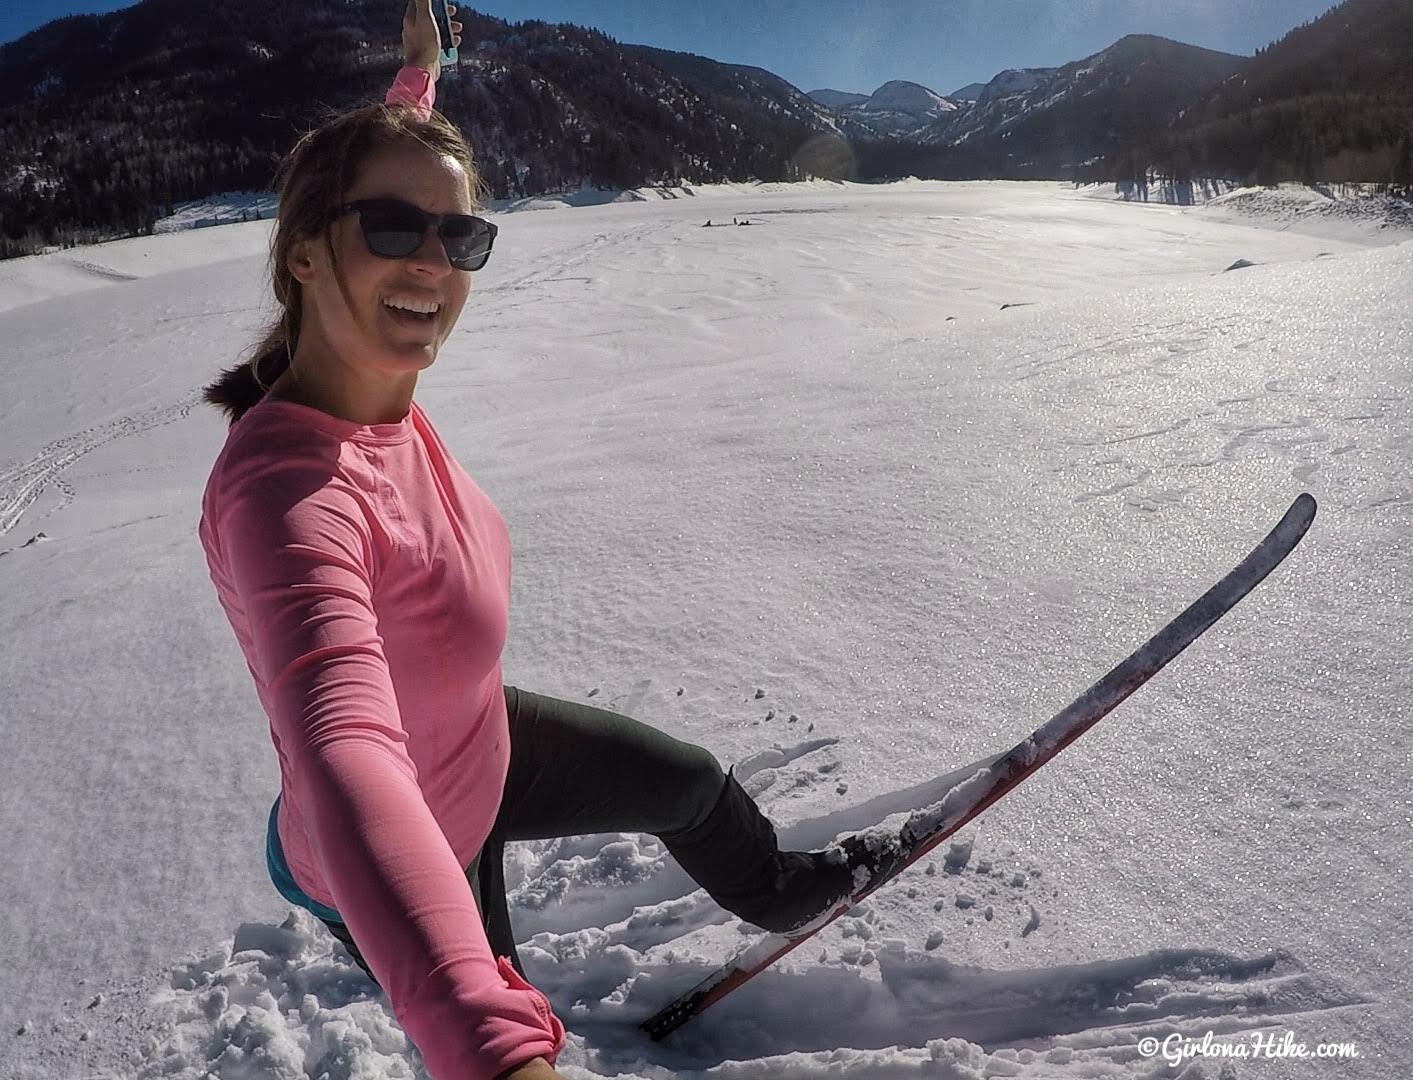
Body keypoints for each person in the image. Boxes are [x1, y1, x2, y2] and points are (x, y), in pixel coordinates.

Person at [196, 3, 859, 1077]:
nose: (432, 263)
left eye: (459, 236)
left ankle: (784, 893)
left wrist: (421, 71)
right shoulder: (287, 496)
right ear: (306, 253)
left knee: (687, 782)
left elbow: (394, 156)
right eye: (394, 231)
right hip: (405, 838)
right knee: (489, 988)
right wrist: (498, 1056)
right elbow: (347, 755)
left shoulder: (368, 383)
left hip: (482, 745)